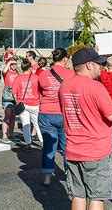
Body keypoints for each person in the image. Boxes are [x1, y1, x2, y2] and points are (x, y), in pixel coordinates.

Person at [59, 48, 112, 210]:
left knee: (78, 195)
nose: (102, 67)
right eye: (99, 64)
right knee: (96, 197)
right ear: (89, 65)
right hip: (95, 150)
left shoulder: (64, 86)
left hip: (72, 149)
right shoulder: (95, 87)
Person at [38, 48, 75, 186]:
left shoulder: (43, 74)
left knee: (48, 146)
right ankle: (70, 175)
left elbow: (40, 92)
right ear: (65, 59)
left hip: (46, 113)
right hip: (64, 113)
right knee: (67, 147)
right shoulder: (71, 74)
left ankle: (47, 178)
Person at [12, 58, 42, 151]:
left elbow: (14, 93)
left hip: (23, 104)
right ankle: (43, 142)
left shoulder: (18, 78)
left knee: (26, 125)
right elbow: (40, 91)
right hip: (35, 104)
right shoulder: (36, 78)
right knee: (37, 124)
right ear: (29, 67)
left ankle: (28, 144)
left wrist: (17, 101)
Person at [1, 58, 19, 143]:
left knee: (13, 117)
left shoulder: (17, 72)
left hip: (15, 97)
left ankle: (11, 134)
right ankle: (4, 135)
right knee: (7, 116)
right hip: (7, 97)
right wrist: (9, 62)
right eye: (12, 64)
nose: (14, 65)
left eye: (15, 64)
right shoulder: (7, 72)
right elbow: (4, 71)